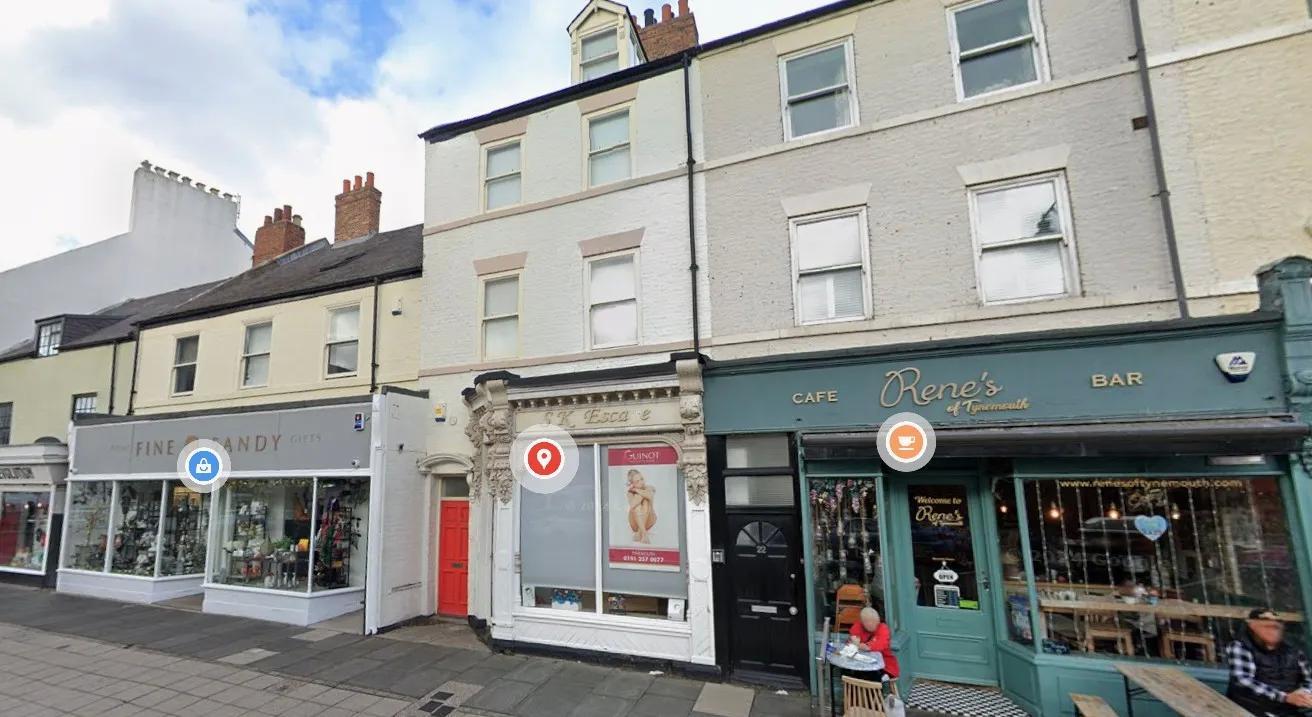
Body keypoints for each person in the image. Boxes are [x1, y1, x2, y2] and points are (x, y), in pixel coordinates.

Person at [1226, 608, 1312, 716]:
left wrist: (1305, 694)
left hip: (1287, 710)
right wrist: (1284, 697)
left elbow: (1309, 678)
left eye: (1276, 627)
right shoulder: (1240, 646)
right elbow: (1243, 680)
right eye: (1266, 626)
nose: (1272, 630)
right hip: (1250, 711)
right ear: (1252, 626)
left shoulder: (1293, 650)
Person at [848, 606, 900, 679]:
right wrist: (854, 642)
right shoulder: (857, 627)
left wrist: (866, 646)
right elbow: (852, 642)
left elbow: (881, 644)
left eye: (874, 621)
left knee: (870, 677)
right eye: (868, 622)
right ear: (863, 622)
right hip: (862, 664)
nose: (871, 624)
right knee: (852, 674)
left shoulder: (883, 628)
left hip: (884, 666)